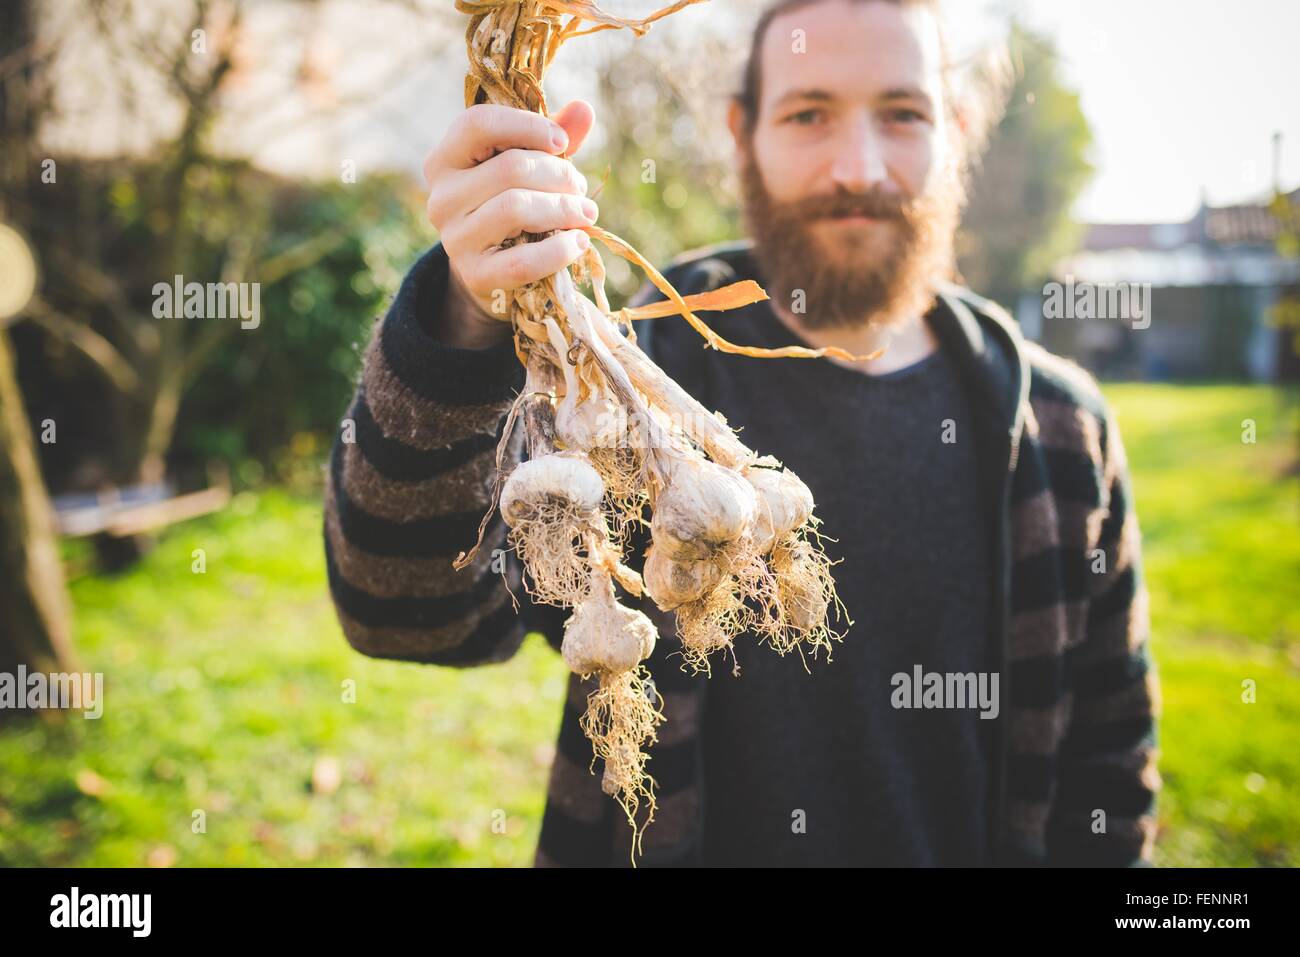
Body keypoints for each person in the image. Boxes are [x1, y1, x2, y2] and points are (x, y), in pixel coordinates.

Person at [323, 0, 1161, 867]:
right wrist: (465, 317)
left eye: (902, 114)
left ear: (957, 131)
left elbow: (1110, 769)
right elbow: (403, 613)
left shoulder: (1062, 430)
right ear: (742, 132)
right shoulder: (608, 385)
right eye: (808, 114)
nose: (857, 166)